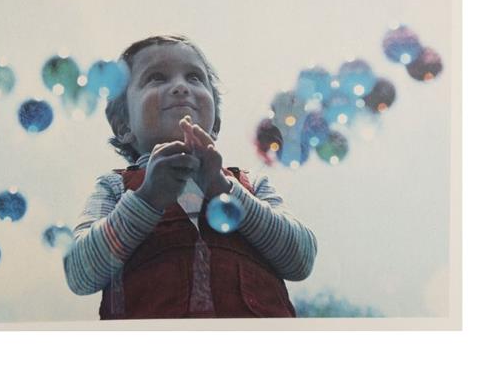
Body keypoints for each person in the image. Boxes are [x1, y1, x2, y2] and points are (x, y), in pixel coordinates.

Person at [63, 35, 317, 319]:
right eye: (156, 78)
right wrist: (147, 198)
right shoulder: (114, 187)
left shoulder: (250, 185)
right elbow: (79, 272)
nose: (181, 87)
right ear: (123, 125)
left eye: (194, 77)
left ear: (215, 124)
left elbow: (301, 259)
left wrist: (224, 189)